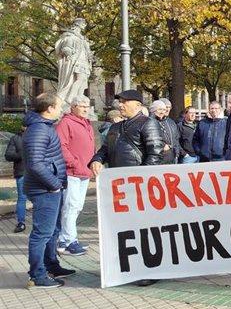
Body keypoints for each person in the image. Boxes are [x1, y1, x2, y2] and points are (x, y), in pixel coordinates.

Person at [90, 89, 164, 287]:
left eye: (124, 101)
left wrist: (142, 182)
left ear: (138, 105)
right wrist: (97, 160)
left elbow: (155, 155)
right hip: (119, 188)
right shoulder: (116, 127)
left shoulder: (149, 124)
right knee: (125, 229)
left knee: (144, 228)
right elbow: (104, 150)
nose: (120, 105)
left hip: (140, 187)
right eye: (119, 102)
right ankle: (129, 267)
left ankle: (151, 269)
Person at [23, 92, 75, 288]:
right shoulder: (38, 130)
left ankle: (51, 265)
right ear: (49, 108)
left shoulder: (43, 127)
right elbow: (35, 164)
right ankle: (37, 274)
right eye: (59, 106)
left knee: (53, 231)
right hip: (45, 189)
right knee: (42, 233)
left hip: (49, 187)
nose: (61, 109)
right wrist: (54, 184)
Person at [55, 95, 95, 256]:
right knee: (70, 206)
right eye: (82, 106)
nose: (85, 109)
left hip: (84, 172)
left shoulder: (87, 124)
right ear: (73, 107)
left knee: (77, 206)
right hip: (72, 172)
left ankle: (65, 238)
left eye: (87, 106)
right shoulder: (66, 123)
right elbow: (61, 146)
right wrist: (74, 163)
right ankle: (70, 240)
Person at [5, 126, 27, 232]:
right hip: (22, 172)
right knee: (22, 198)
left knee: (38, 199)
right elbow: (8, 155)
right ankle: (21, 222)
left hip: (37, 173)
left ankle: (40, 222)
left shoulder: (39, 135)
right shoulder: (15, 138)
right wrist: (21, 154)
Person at [151, 100, 181, 164]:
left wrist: (177, 153)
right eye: (160, 109)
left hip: (172, 157)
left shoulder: (171, 122)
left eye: (168, 107)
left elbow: (176, 139)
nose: (167, 110)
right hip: (158, 159)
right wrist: (162, 146)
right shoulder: (150, 122)